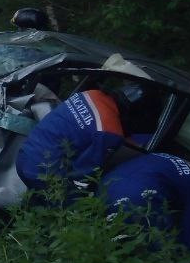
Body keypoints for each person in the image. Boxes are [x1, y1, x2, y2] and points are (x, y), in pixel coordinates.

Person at [15, 84, 144, 202]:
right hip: (45, 172)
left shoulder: (90, 94)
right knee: (69, 205)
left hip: (24, 155)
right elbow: (83, 173)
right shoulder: (110, 130)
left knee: (34, 203)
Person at [101, 147, 190, 251]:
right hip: (136, 200)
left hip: (105, 186)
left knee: (103, 240)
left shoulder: (164, 156)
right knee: (162, 251)